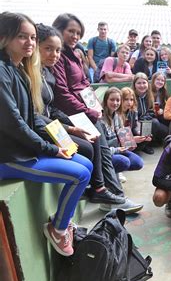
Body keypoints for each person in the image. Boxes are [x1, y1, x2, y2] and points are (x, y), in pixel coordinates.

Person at [0, 11, 92, 256]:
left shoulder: (18, 69)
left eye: (32, 37)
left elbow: (33, 119)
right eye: (22, 36)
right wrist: (51, 149)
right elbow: (16, 125)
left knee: (84, 160)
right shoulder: (1, 71)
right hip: (9, 157)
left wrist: (61, 139)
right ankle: (58, 230)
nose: (29, 43)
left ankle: (62, 219)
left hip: (25, 149)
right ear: (4, 37)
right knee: (80, 174)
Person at [51, 13, 143, 214]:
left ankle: (110, 194)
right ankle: (108, 193)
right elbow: (62, 93)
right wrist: (88, 111)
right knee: (99, 145)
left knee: (103, 148)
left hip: (86, 111)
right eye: (71, 31)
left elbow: (84, 84)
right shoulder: (57, 57)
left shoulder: (75, 54)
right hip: (72, 113)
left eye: (78, 32)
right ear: (59, 30)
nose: (75, 36)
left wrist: (96, 106)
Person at [37, 23, 123, 205]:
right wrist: (71, 127)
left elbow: (52, 107)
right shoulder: (31, 74)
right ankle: (96, 187)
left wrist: (74, 125)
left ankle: (98, 187)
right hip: (42, 129)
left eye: (57, 50)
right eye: (48, 49)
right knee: (86, 147)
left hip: (53, 120)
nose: (54, 54)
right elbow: (36, 114)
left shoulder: (47, 73)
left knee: (93, 137)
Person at [100, 87, 144, 175]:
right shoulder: (100, 119)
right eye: (112, 100)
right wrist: (117, 150)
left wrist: (133, 140)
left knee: (138, 163)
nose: (115, 103)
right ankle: (108, 175)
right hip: (106, 153)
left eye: (118, 100)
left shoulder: (118, 116)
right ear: (106, 100)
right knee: (124, 162)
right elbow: (101, 149)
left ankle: (114, 171)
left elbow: (126, 142)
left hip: (118, 149)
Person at [132, 73, 169, 152]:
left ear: (147, 84)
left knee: (166, 131)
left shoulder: (149, 95)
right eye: (139, 83)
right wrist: (137, 121)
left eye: (144, 83)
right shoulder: (131, 96)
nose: (142, 85)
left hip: (144, 121)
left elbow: (151, 111)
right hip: (134, 124)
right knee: (154, 123)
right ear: (134, 84)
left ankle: (151, 141)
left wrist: (143, 119)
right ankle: (145, 145)